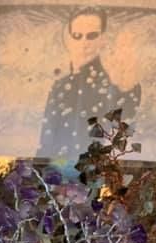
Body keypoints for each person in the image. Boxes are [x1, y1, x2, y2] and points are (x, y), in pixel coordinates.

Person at [36, 6, 141, 159]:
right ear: (70, 38)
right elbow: (45, 145)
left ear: (103, 38)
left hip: (97, 175)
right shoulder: (60, 86)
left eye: (91, 36)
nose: (84, 43)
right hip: (58, 174)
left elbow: (122, 139)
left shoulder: (117, 86)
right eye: (77, 35)